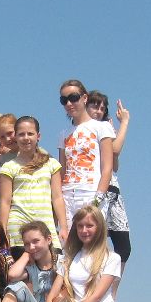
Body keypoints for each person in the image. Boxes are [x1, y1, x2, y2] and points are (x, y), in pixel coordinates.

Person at [0, 116, 67, 255]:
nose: (26, 138)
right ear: (16, 137)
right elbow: (5, 202)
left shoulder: (51, 164)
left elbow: (57, 197)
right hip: (17, 231)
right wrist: (2, 232)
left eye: (30, 133)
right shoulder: (9, 167)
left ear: (38, 136)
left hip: (46, 228)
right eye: (21, 134)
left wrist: (64, 227)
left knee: (53, 266)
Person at [56, 79, 116, 241]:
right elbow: (62, 170)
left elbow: (107, 168)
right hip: (68, 195)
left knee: (92, 244)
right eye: (64, 100)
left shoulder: (102, 127)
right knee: (68, 246)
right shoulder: (64, 134)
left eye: (73, 97)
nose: (69, 103)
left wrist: (97, 199)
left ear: (84, 98)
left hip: (91, 192)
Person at [86, 91, 131, 296]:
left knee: (123, 247)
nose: (99, 111)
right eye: (95, 106)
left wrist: (113, 132)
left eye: (102, 108)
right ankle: (94, 292)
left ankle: (111, 294)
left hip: (114, 191)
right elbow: (115, 150)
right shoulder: (88, 130)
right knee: (96, 245)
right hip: (96, 190)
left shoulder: (105, 128)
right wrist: (125, 123)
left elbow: (115, 164)